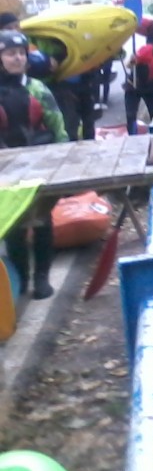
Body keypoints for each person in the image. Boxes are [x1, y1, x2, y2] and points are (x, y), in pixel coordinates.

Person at [0, 30, 69, 299]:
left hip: (40, 165)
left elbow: (57, 126)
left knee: (42, 221)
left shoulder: (38, 89)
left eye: (21, 53)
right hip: (6, 170)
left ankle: (42, 277)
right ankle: (21, 277)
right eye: (10, 54)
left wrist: (65, 160)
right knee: (14, 226)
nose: (17, 58)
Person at [0, 12, 56, 81]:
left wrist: (50, 59)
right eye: (9, 28)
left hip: (47, 79)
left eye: (16, 26)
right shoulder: (2, 46)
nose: (14, 30)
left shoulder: (30, 39)